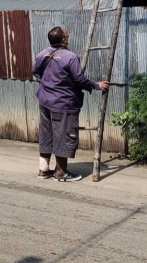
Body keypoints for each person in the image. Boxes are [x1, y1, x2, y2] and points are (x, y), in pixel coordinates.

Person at [32, 26, 109, 182]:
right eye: (66, 35)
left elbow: (35, 71)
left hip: (45, 101)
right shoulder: (70, 57)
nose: (68, 37)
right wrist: (96, 85)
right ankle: (60, 173)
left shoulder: (42, 54)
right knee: (64, 136)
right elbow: (79, 79)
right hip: (63, 104)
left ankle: (43, 170)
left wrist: (49, 84)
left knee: (47, 134)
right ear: (64, 40)